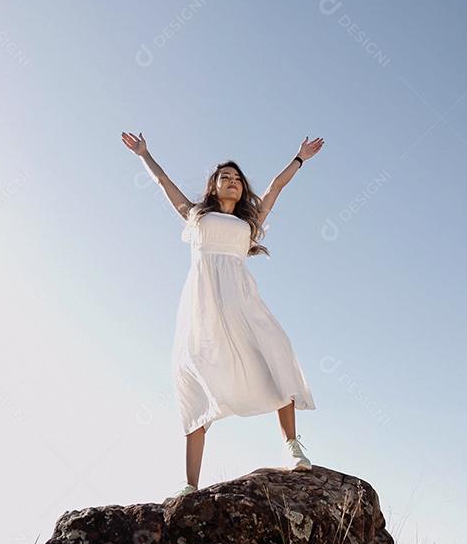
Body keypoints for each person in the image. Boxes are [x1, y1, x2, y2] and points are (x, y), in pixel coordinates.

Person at [120, 131, 325, 504]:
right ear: (213, 187)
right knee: (194, 377)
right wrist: (143, 155)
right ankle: (190, 485)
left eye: (236, 178)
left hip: (242, 299)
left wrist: (299, 159)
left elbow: (277, 187)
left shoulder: (250, 219)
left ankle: (292, 446)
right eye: (224, 177)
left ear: (241, 188)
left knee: (276, 351)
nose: (231, 181)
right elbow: (165, 182)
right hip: (203, 303)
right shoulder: (196, 215)